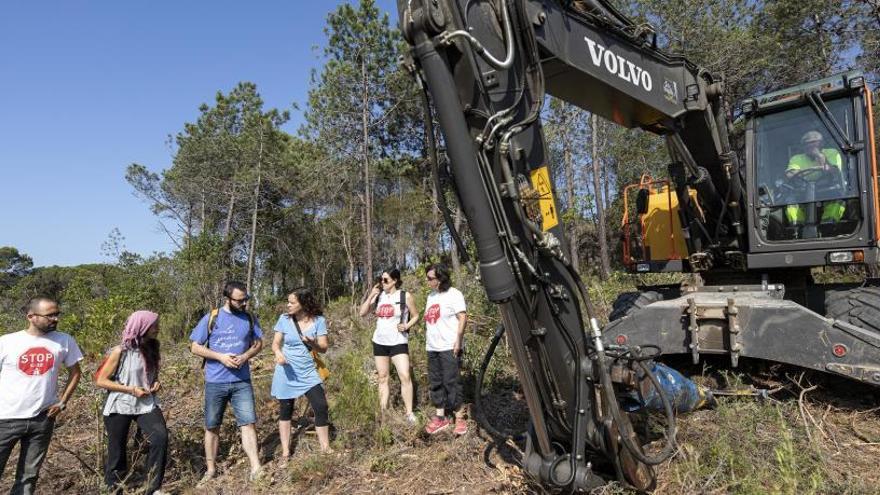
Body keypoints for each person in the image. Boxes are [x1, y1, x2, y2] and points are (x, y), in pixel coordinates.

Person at [0, 297, 83, 495]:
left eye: (57, 314)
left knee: (28, 477)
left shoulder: (64, 340)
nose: (55, 319)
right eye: (50, 315)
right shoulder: (7, 342)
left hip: (42, 419)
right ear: (31, 316)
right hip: (5, 418)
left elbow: (76, 373)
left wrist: (62, 402)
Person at [189, 281, 264, 482]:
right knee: (212, 426)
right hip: (215, 382)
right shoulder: (212, 318)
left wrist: (246, 355)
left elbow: (258, 344)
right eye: (239, 300)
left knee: (248, 423)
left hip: (242, 382)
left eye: (245, 299)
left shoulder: (249, 318)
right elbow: (195, 347)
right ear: (228, 299)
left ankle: (256, 467)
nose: (244, 304)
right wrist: (220, 356)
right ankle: (211, 470)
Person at [95, 310, 168, 495]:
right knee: (117, 451)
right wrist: (130, 389)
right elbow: (101, 380)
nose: (157, 328)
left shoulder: (153, 347)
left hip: (145, 403)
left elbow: (151, 374)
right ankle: (114, 489)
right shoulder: (120, 351)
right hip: (120, 403)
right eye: (154, 325)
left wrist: (155, 383)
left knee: (160, 437)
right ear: (142, 326)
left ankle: (153, 488)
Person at [271, 287, 333, 457]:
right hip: (287, 370)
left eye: (292, 302)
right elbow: (275, 343)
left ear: (304, 303)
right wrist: (278, 353)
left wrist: (313, 343)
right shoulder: (284, 319)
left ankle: (325, 449)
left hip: (308, 371)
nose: (288, 305)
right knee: (286, 409)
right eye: (288, 302)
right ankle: (285, 452)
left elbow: (324, 349)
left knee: (321, 406)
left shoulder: (319, 321)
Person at [358, 268, 419, 423]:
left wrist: (406, 325)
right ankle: (383, 412)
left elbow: (416, 315)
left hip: (398, 341)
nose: (382, 283)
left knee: (405, 376)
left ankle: (409, 413)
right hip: (379, 342)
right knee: (383, 377)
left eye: (385, 280)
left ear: (395, 281)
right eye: (381, 279)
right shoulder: (379, 296)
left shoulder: (405, 296)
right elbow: (362, 312)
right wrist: (372, 294)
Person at [421, 264, 469, 436]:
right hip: (432, 347)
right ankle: (441, 418)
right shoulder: (431, 297)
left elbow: (462, 318)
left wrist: (458, 341)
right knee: (436, 382)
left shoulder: (454, 294)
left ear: (440, 278)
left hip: (449, 346)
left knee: (452, 382)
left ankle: (460, 418)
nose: (427, 281)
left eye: (430, 278)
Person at [784, 130, 845, 226]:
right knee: (790, 200)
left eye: (813, 142)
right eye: (806, 143)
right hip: (803, 191)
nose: (810, 146)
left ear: (822, 143)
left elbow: (834, 171)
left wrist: (819, 156)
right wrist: (815, 168)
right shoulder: (796, 158)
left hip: (828, 188)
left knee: (838, 198)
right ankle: (797, 227)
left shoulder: (832, 152)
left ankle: (828, 225)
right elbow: (790, 174)